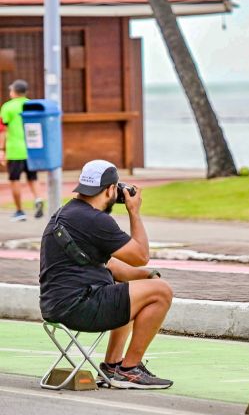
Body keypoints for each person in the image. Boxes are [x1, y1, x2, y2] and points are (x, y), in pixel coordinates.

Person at [39, 160, 174, 389]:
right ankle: (130, 370)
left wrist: (146, 276)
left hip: (57, 307)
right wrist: (134, 211)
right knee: (162, 292)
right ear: (111, 189)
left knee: (123, 284)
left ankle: (113, 366)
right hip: (79, 307)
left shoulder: (66, 214)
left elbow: (112, 264)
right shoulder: (95, 220)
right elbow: (141, 254)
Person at [0, 79, 43, 221]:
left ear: (14, 91)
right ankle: (38, 199)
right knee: (33, 178)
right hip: (31, 149)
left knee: (15, 180)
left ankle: (19, 211)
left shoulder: (8, 107)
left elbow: (2, 130)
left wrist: (1, 149)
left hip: (15, 150)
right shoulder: (31, 105)